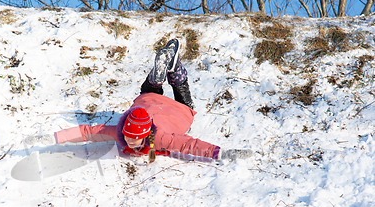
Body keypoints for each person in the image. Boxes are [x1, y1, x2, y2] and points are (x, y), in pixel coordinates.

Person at [26, 39, 252, 162]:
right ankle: (168, 68)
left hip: (173, 110)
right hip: (151, 104)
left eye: (134, 139)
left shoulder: (161, 138)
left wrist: (222, 153)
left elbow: (189, 145)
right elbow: (87, 131)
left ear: (146, 135)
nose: (129, 141)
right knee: (151, 91)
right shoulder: (119, 131)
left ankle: (166, 71)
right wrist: (53, 137)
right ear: (124, 128)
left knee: (180, 92)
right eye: (127, 136)